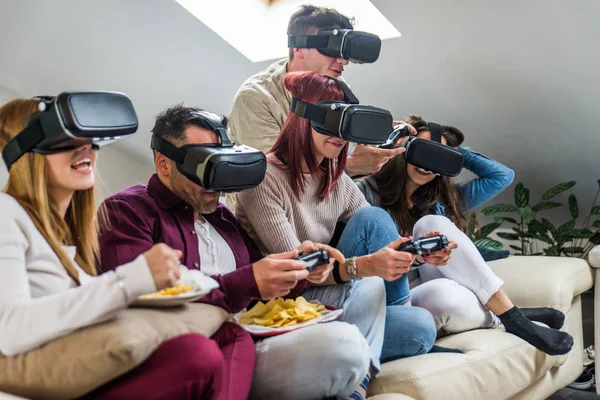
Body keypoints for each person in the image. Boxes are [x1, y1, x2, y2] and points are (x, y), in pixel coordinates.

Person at [98, 104, 372, 400]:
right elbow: (138, 300)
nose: (217, 179)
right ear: (164, 164)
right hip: (191, 354)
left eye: (223, 161)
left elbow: (260, 290)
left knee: (359, 311)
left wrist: (299, 268)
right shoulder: (128, 211)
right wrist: (248, 282)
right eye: (204, 165)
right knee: (344, 346)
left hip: (254, 339)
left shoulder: (223, 219)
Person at [0, 98, 249, 400]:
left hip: (85, 365)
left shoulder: (62, 235)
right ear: (26, 153)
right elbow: (9, 330)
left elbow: (83, 305)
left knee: (215, 343)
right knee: (196, 355)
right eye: (64, 140)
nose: (86, 149)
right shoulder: (6, 212)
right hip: (52, 376)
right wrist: (131, 279)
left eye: (89, 140)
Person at [236, 71, 441, 398]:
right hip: (287, 304)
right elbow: (300, 273)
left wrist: (414, 253)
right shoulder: (264, 178)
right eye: (331, 123)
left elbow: (377, 237)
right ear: (303, 119)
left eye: (346, 126)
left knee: (420, 325)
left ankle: (358, 353)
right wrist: (366, 268)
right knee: (371, 274)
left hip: (334, 295)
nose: (340, 136)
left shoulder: (335, 177)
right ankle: (357, 388)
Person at [356, 115, 574, 356]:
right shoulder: (366, 192)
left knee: (435, 238)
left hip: (428, 286)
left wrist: (455, 152)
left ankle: (511, 316)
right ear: (404, 149)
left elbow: (502, 176)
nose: (428, 163)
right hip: (392, 294)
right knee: (432, 236)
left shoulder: (443, 200)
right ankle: (511, 316)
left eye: (439, 157)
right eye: (424, 151)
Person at [228, 4, 405, 179]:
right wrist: (350, 167)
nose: (343, 61)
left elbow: (341, 143)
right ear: (298, 48)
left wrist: (379, 134)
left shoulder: (338, 85)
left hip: (322, 201)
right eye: (332, 49)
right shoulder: (256, 97)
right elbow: (273, 175)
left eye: (344, 53)